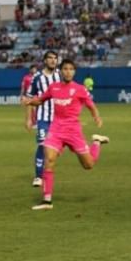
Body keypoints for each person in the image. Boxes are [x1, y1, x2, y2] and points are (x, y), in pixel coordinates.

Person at [21, 58, 109, 210]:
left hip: (73, 131)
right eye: (65, 69)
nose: (68, 71)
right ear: (60, 71)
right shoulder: (53, 87)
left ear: (74, 72)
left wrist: (97, 117)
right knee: (49, 159)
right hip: (56, 130)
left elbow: (90, 105)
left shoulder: (80, 89)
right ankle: (47, 201)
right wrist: (29, 102)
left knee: (88, 165)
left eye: (71, 69)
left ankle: (96, 143)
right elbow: (40, 100)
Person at [27, 51, 61, 187]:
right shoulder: (37, 77)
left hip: (59, 119)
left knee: (54, 149)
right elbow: (29, 98)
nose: (53, 60)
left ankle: (47, 172)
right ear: (45, 60)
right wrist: (29, 119)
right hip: (43, 118)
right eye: (50, 58)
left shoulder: (61, 75)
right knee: (42, 145)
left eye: (55, 58)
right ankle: (38, 176)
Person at [21, 63, 39, 142]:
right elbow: (23, 86)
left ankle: (35, 123)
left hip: (35, 95)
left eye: (35, 68)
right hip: (28, 95)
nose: (34, 70)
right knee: (29, 110)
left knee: (35, 109)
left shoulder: (37, 77)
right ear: (30, 70)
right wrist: (22, 95)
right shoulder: (26, 77)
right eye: (32, 68)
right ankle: (31, 123)